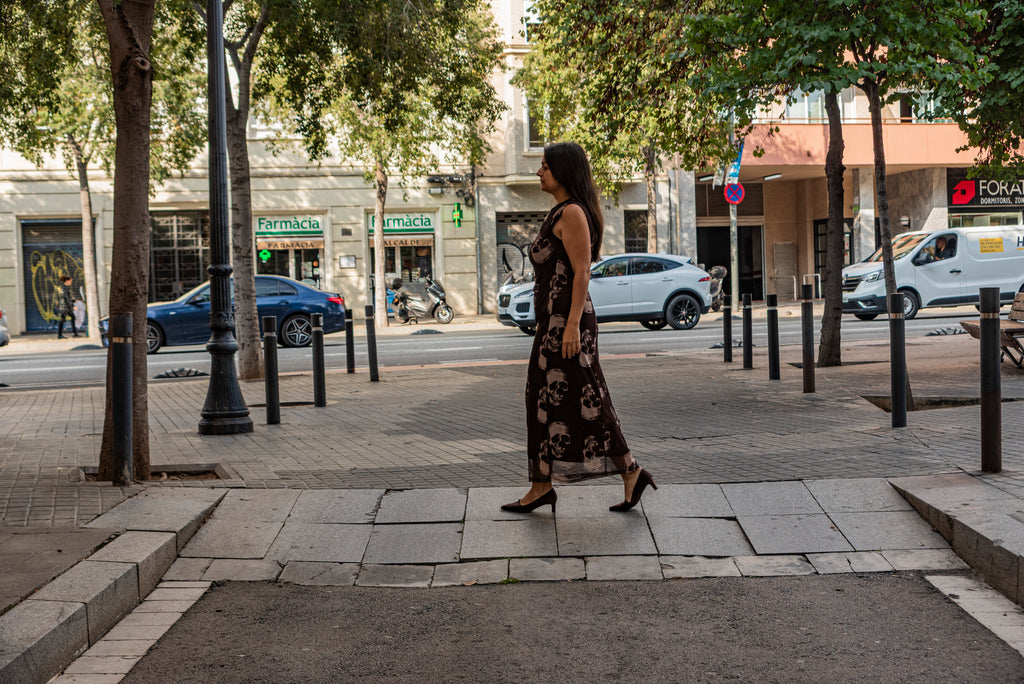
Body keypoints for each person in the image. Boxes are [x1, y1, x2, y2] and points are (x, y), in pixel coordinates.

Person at [501, 142, 656, 515]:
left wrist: (570, 326)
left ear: (563, 170)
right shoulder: (560, 211)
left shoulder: (572, 212)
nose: (539, 171)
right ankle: (541, 484)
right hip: (553, 321)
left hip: (567, 322)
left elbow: (582, 270)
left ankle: (630, 472)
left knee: (587, 397)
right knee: (542, 397)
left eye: (544, 165)